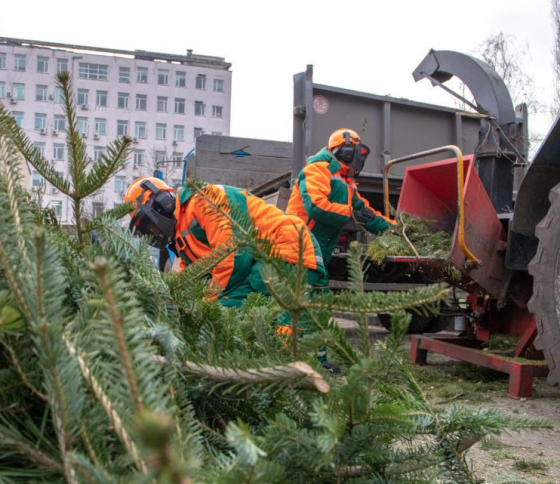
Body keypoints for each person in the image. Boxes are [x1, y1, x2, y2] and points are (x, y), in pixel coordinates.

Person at [125, 176, 341, 372]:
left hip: (287, 249)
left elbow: (234, 257)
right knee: (302, 314)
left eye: (149, 225)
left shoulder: (204, 200)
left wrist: (206, 304)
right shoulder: (182, 233)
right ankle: (319, 365)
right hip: (277, 255)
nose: (153, 233)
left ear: (161, 203)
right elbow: (193, 274)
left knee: (229, 309)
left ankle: (278, 369)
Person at [286, 128, 397, 287]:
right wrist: (351, 213)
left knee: (316, 296)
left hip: (319, 252)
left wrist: (395, 229)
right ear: (346, 153)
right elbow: (316, 207)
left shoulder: (347, 183)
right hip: (298, 247)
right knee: (296, 297)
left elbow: (367, 214)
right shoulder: (317, 170)